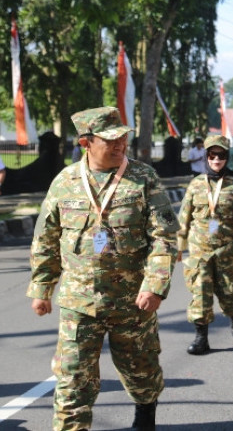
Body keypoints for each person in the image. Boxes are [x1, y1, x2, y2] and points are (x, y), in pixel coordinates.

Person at [27, 106, 179, 430]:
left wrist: (155, 285)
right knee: (72, 381)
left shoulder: (143, 179)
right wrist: (42, 289)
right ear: (86, 142)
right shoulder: (64, 183)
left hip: (132, 301)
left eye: (122, 138)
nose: (120, 145)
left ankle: (146, 410)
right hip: (78, 303)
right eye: (110, 140)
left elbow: (164, 237)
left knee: (142, 372)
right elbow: (45, 239)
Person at [177, 135, 233, 355]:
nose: (216, 160)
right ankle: (201, 338)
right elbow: (184, 216)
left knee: (230, 293)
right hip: (199, 250)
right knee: (200, 292)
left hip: (227, 250)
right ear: (206, 156)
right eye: (212, 155)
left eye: (220, 155)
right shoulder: (195, 185)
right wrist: (178, 246)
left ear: (227, 157)